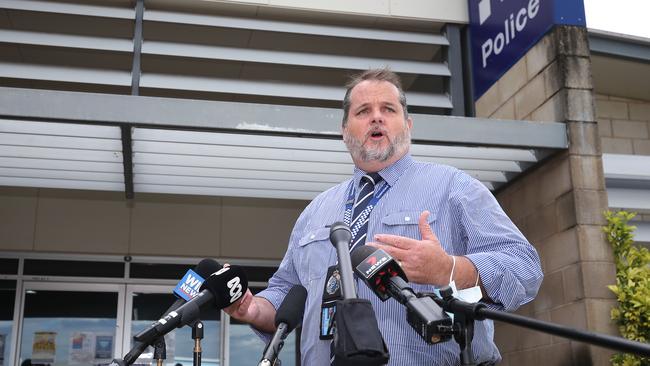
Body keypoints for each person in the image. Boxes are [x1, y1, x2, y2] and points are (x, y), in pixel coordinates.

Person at [225, 68, 543, 365]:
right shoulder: (315, 211)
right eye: (363, 111)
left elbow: (525, 266)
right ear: (344, 130)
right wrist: (254, 309)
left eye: (388, 109)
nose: (376, 117)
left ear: (408, 124)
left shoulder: (454, 187)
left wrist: (451, 269)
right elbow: (287, 292)